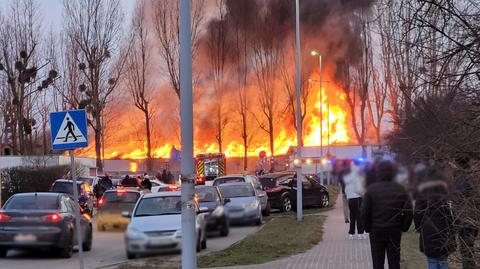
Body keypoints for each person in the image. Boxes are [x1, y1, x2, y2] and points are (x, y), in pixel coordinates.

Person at [361, 160, 413, 269]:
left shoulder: (371, 190)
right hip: (394, 229)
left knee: (377, 262)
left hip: (376, 229)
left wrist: (367, 228)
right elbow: (408, 210)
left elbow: (365, 211)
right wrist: (404, 227)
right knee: (394, 261)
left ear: (378, 172)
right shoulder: (400, 189)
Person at [414, 168, 456, 269]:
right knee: (443, 259)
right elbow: (451, 213)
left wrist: (419, 227)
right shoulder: (446, 192)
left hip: (428, 228)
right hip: (444, 228)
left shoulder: (423, 193)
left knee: (432, 260)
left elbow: (417, 213)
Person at [452, 157, 479, 269]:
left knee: (465, 248)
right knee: (469, 246)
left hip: (464, 217)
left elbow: (458, 198)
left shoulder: (460, 178)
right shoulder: (474, 176)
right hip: (473, 217)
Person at [344, 161, 366, 239]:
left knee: (352, 216)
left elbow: (346, 189)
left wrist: (348, 196)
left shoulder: (348, 177)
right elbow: (359, 189)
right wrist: (363, 194)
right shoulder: (358, 177)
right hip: (357, 199)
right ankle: (360, 233)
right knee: (359, 217)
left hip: (350, 199)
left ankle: (351, 234)